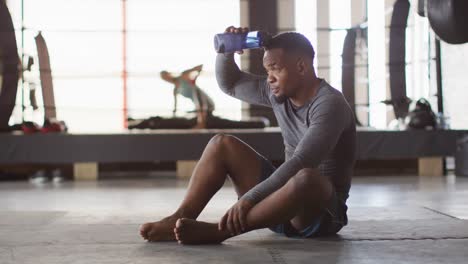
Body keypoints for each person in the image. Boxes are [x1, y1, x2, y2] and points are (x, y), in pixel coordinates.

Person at [139, 26, 356, 244]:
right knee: (221, 143)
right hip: (275, 207)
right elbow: (231, 84)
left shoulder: (329, 104)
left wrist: (249, 199)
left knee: (307, 177)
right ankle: (179, 217)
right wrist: (227, 51)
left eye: (275, 69)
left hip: (318, 216)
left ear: (301, 66)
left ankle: (220, 231)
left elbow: (302, 161)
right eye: (267, 70)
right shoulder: (277, 92)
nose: (269, 78)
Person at [160, 64, 215, 128]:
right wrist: (173, 115)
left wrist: (196, 77)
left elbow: (199, 67)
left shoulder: (183, 76)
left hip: (204, 103)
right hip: (199, 108)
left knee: (196, 96)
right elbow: (175, 106)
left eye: (165, 77)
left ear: (169, 74)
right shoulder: (175, 90)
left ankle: (201, 124)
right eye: (164, 79)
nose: (166, 79)